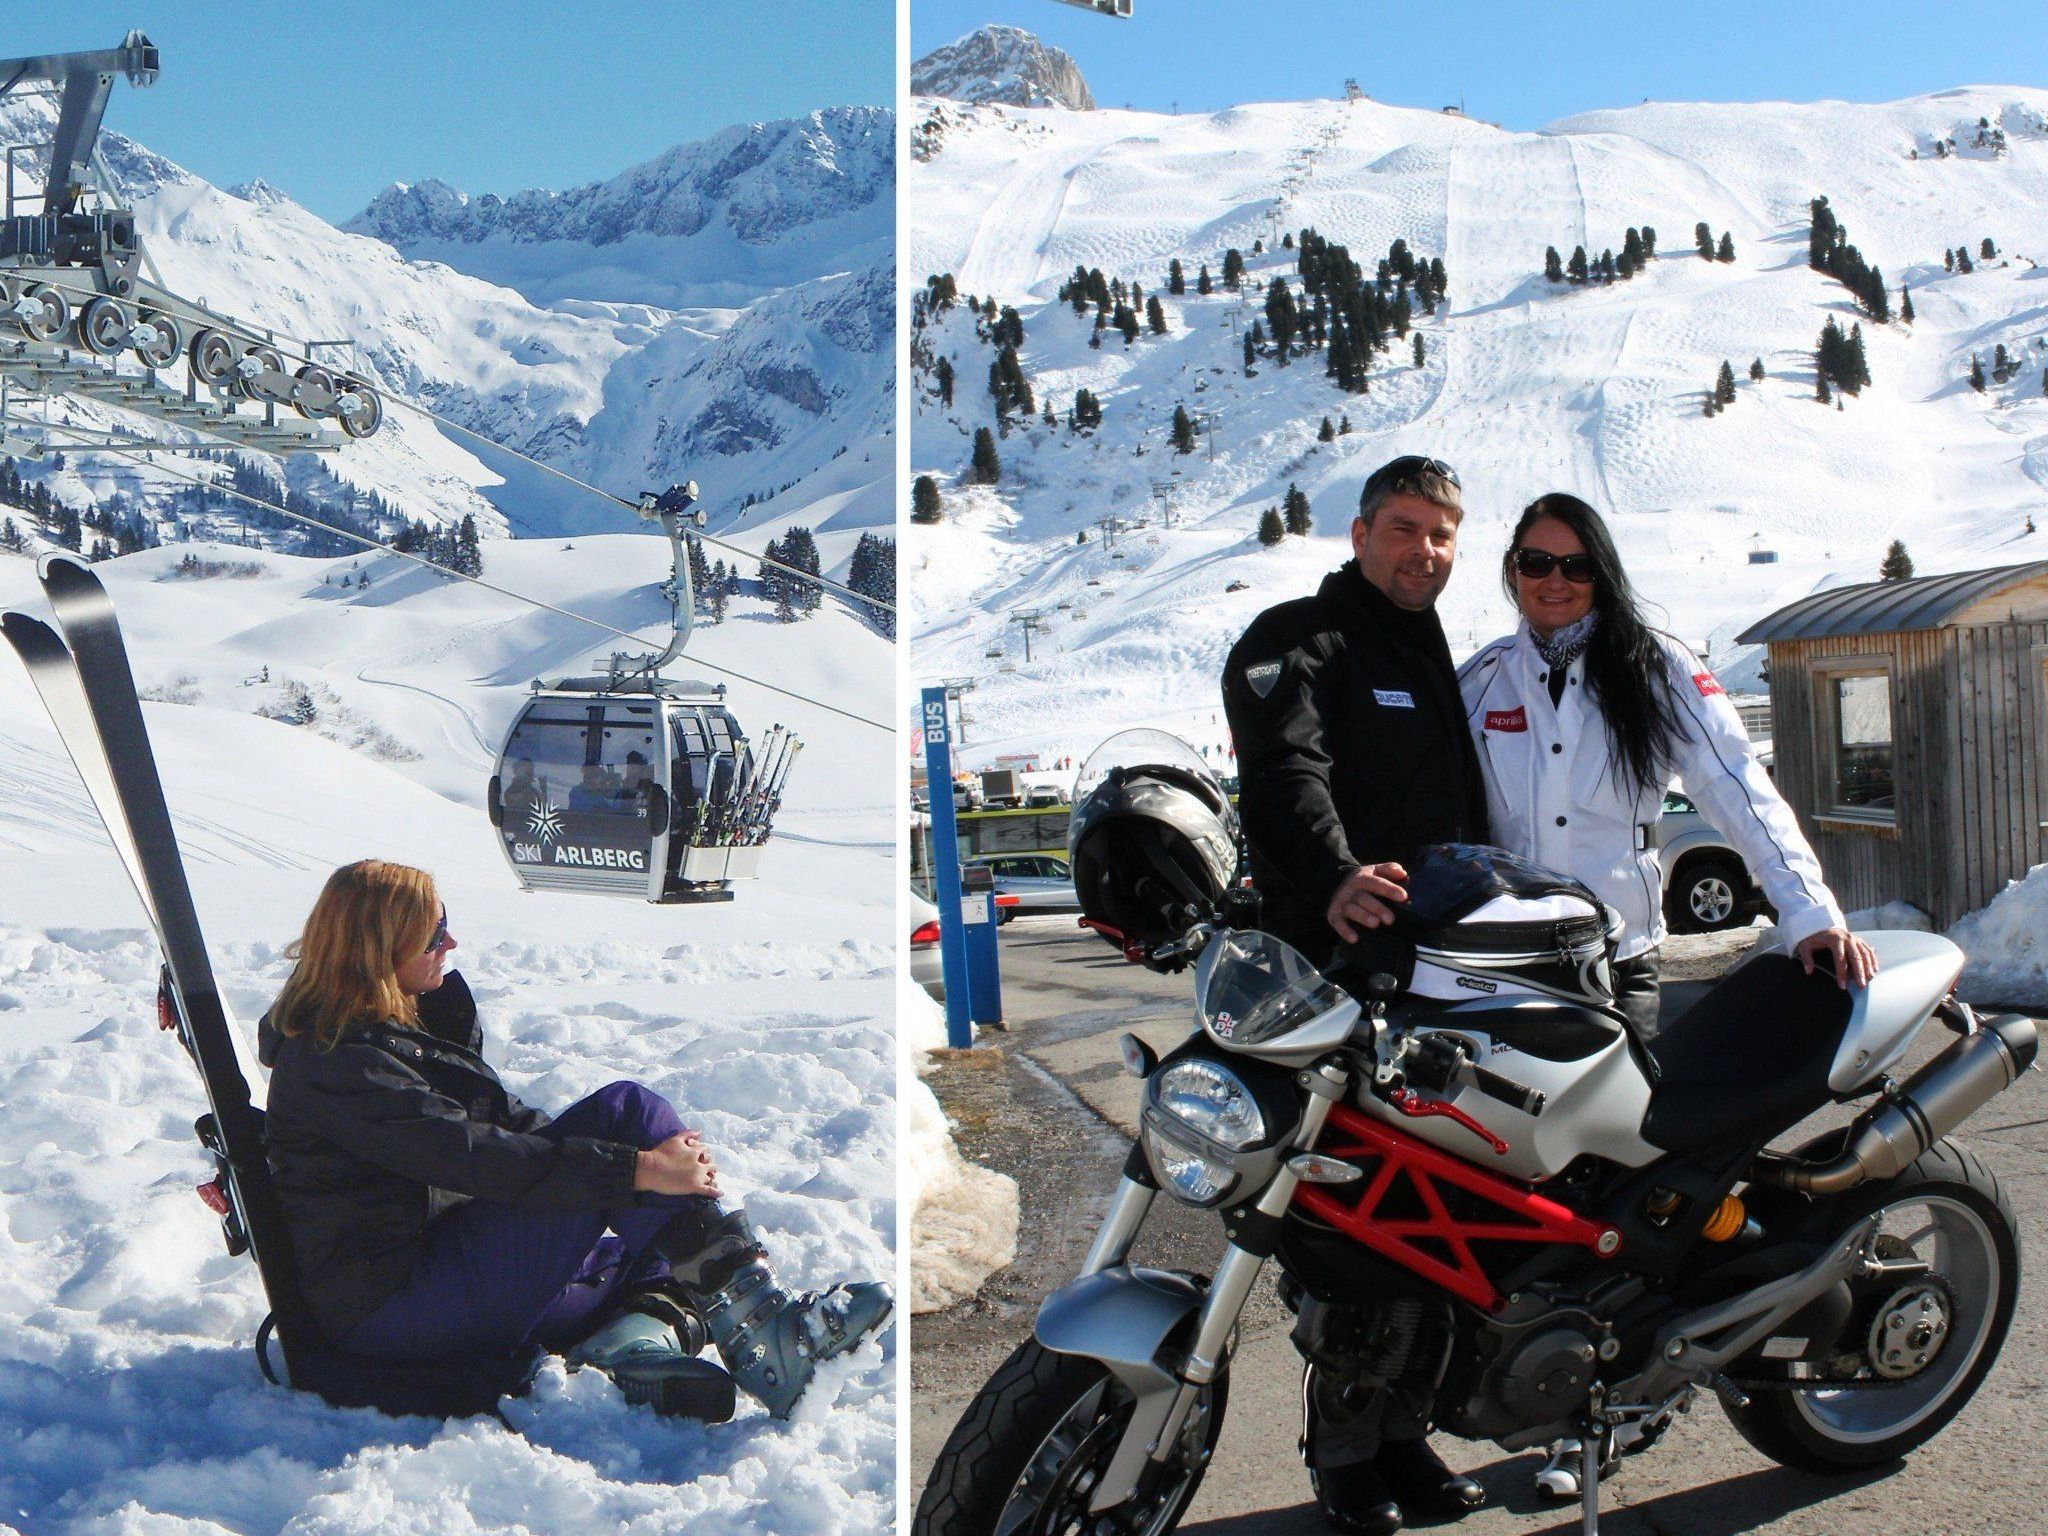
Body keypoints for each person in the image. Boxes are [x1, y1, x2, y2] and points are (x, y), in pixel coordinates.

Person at [1456, 493, 1876, 1499]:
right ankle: (1527, 1374)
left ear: (1599, 572)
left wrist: (1807, 909)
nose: (1552, 581)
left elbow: (1737, 784)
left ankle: (1602, 1425)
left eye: (1573, 565)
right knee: (1517, 1194)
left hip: (1613, 968)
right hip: (1504, 972)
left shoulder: (1651, 667)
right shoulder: (1479, 681)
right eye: (1532, 562)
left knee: (1623, 1196)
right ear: (1509, 571)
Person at [258, 859, 890, 1418]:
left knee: (660, 1238)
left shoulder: (385, 1036)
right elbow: (470, 1156)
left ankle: (627, 1348)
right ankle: (767, 1339)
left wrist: (645, 1180)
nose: (450, 942)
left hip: (431, 1283)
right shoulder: (334, 1063)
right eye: (432, 934)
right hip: (393, 1309)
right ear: (378, 950)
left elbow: (505, 1125)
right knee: (624, 1114)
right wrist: (633, 1166)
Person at [1222, 455, 1488, 1534]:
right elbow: (1284, 772)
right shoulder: (1298, 639)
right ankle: (1342, 1456)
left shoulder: (1429, 655)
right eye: (1403, 529)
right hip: (1337, 977)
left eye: (1440, 535)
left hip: (1442, 978)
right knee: (1357, 1230)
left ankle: (1402, 1436)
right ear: (1358, 531)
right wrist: (1334, 873)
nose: (1422, 551)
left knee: (1447, 1221)